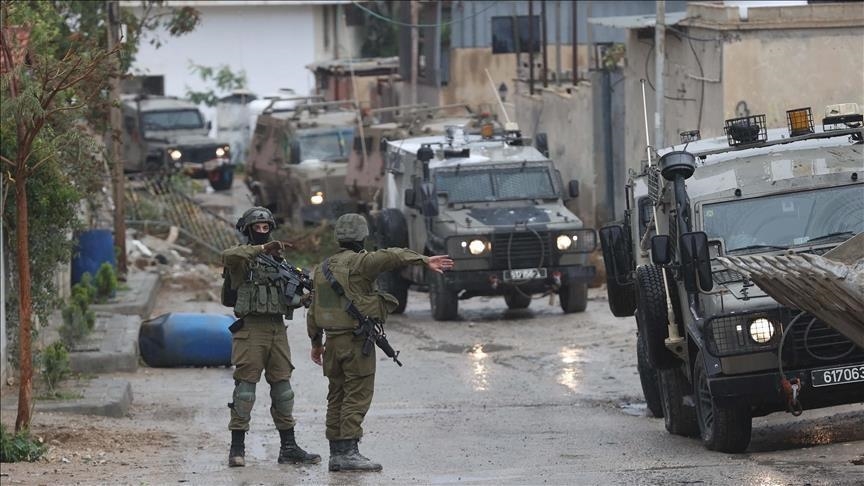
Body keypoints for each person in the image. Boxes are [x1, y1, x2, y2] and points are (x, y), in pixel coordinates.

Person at [307, 213, 454, 472]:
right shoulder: (362, 262)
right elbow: (393, 255)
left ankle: (336, 454)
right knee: (357, 395)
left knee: (336, 396)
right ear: (363, 236)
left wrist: (316, 343)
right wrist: (424, 260)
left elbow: (313, 311)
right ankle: (349, 453)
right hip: (355, 343)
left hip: (332, 343)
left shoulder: (321, 268)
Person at [222, 206, 320, 468]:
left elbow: (287, 298)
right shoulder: (242, 258)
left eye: (266, 228)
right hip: (251, 329)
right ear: (248, 230)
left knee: (283, 390)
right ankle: (237, 448)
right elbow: (227, 255)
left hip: (277, 328)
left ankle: (289, 447)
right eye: (258, 227)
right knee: (245, 390)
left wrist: (305, 298)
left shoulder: (279, 263)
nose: (263, 231)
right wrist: (262, 249)